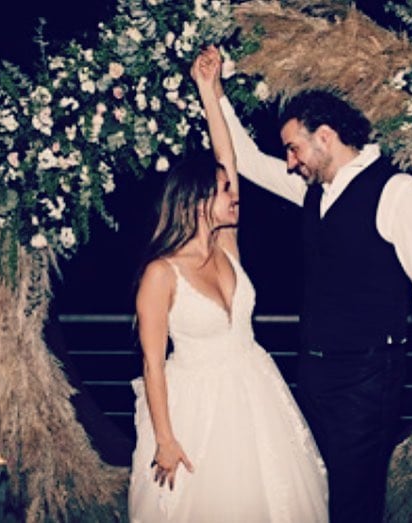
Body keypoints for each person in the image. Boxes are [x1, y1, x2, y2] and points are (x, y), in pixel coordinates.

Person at [206, 45, 412, 522]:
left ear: (325, 137)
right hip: (312, 375)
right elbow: (245, 160)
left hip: (367, 382)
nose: (289, 161)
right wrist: (215, 93)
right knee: (311, 494)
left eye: (294, 147)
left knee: (352, 506)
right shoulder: (314, 191)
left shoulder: (398, 193)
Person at [127, 52, 328, 522]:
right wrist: (166, 440)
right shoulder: (161, 274)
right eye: (224, 190)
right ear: (198, 200)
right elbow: (152, 367)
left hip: (255, 387)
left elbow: (227, 158)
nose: (234, 194)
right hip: (196, 407)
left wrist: (208, 90)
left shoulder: (227, 247)